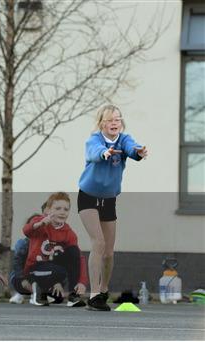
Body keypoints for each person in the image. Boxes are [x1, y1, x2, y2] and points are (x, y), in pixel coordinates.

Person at [77, 104, 148, 311]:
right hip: (88, 197)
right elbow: (93, 152)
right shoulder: (94, 140)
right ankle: (94, 294)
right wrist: (104, 153)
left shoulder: (124, 139)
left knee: (108, 252)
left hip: (109, 200)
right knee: (97, 242)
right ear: (102, 123)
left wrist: (138, 152)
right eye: (110, 120)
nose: (115, 123)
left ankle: (104, 291)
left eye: (117, 119)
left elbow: (131, 148)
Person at [23, 192, 88, 307]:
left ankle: (73, 296)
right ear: (48, 210)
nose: (62, 212)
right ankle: (37, 290)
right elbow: (26, 230)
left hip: (54, 268)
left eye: (66, 209)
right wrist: (39, 224)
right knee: (59, 272)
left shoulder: (68, 232)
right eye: (58, 208)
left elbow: (79, 257)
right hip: (35, 267)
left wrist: (81, 282)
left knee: (73, 251)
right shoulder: (41, 222)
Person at [9, 203, 47, 304]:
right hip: (24, 275)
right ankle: (21, 294)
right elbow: (17, 263)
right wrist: (23, 280)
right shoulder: (24, 243)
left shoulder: (46, 243)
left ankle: (37, 293)